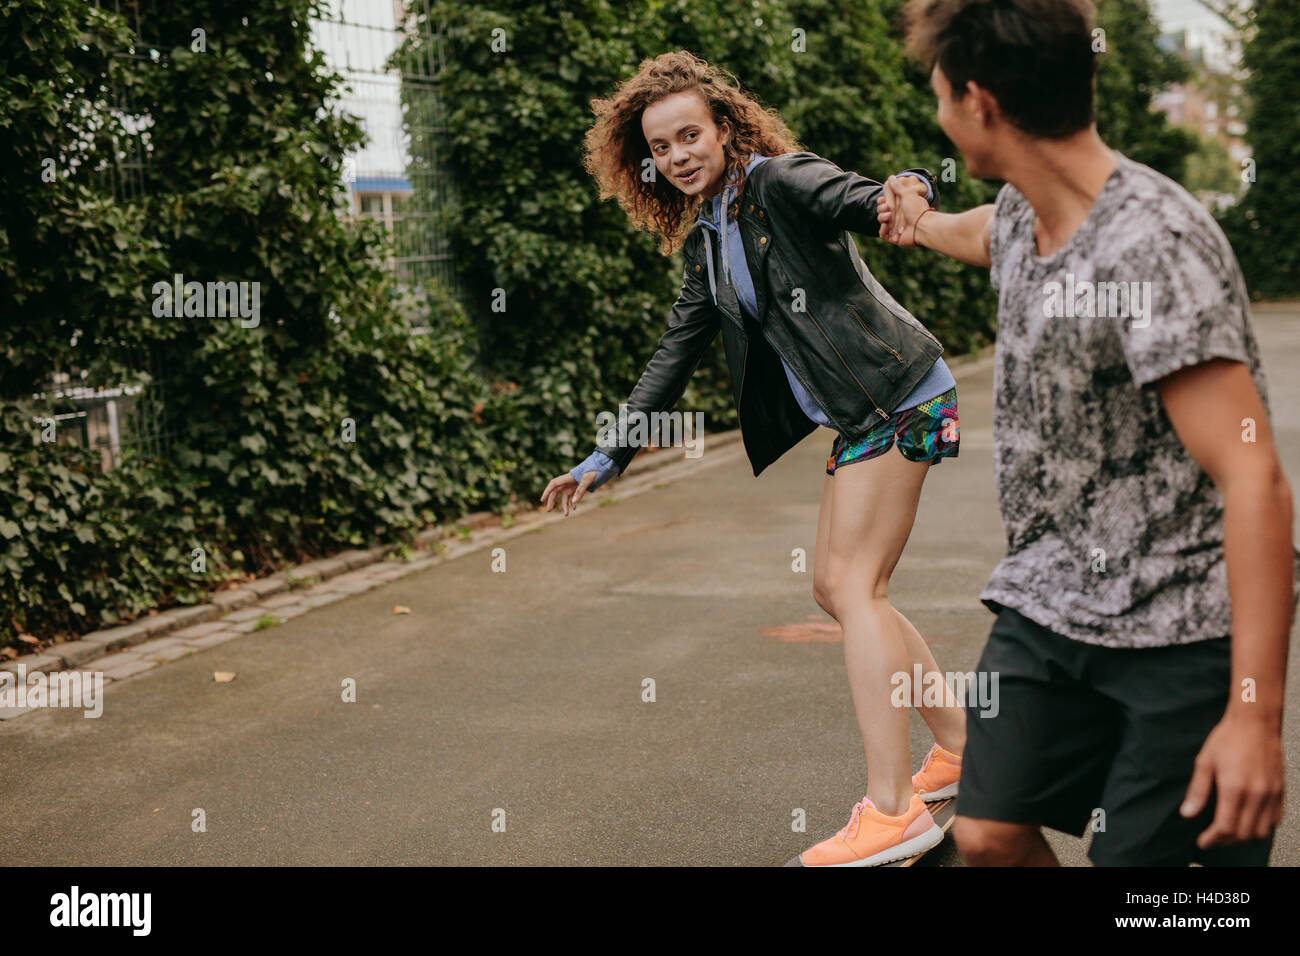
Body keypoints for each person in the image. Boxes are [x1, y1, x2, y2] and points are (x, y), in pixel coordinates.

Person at [875, 0, 1297, 865]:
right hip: (1051, 599)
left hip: (1181, 624)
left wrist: (1254, 719)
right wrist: (913, 219)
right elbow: (982, 231)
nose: (939, 115)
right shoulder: (1025, 216)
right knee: (987, 834)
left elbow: (1254, 479)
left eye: (941, 96)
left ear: (980, 101)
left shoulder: (1153, 246)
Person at [539, 49, 966, 866]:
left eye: (689, 135)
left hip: (900, 395)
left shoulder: (774, 182)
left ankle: (892, 810)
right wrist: (607, 455)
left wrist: (910, 185)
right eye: (661, 149)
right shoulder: (710, 235)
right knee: (835, 587)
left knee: (854, 585)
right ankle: (956, 742)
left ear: (724, 128)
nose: (677, 157)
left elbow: (859, 193)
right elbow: (674, 354)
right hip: (864, 413)